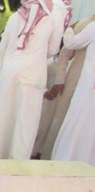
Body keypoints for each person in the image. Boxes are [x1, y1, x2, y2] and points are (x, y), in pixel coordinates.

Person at [0, 0, 63, 159]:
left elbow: (3, 47)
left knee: (4, 113)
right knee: (25, 119)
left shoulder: (15, 17)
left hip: (10, 71)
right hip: (32, 72)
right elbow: (53, 50)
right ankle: (18, 160)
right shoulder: (50, 19)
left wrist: (4, 69)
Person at [35, 14, 95, 158]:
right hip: (74, 79)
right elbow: (65, 54)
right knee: (61, 118)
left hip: (88, 84)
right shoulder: (84, 24)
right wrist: (59, 80)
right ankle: (49, 155)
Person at [51, 20, 95, 166]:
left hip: (88, 88)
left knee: (78, 123)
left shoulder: (92, 26)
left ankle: (69, 160)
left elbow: (71, 43)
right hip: (87, 86)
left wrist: (69, 29)